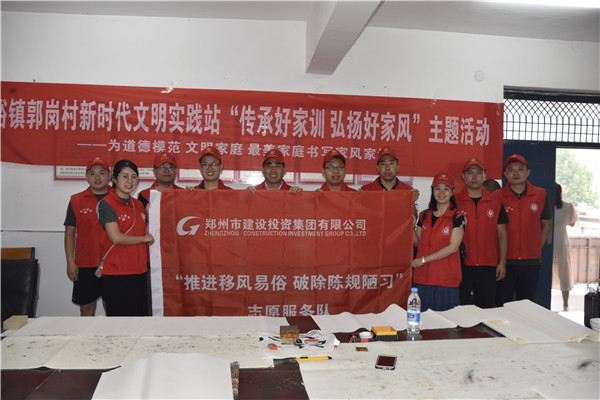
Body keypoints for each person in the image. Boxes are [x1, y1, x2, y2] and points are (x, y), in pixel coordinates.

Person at [97, 159, 154, 316]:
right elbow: (116, 237)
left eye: (134, 177)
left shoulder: (138, 204)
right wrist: (143, 238)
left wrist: (150, 217)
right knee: (120, 323)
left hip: (140, 271)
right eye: (125, 176)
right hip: (118, 273)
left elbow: (146, 234)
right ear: (114, 179)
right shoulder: (107, 204)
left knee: (140, 320)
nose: (130, 181)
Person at [494, 154, 552, 306]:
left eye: (520, 169)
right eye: (511, 170)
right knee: (502, 305)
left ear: (528, 172)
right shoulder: (496, 197)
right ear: (505, 174)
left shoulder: (540, 194)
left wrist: (537, 246)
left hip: (530, 262)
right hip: (504, 262)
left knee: (526, 306)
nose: (516, 173)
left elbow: (547, 224)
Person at [455, 157, 508, 308]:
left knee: (486, 310)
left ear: (484, 176)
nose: (474, 177)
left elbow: (502, 234)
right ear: (463, 176)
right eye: (470, 173)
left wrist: (502, 263)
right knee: (459, 309)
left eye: (478, 172)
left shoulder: (496, 202)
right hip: (461, 266)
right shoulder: (454, 201)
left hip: (488, 266)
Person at [64, 157, 111, 316]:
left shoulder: (118, 198)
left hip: (113, 263)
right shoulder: (76, 200)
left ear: (109, 175)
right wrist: (70, 262)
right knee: (86, 309)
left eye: (102, 173)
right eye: (92, 173)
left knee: (112, 308)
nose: (97, 177)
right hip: (85, 263)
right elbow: (70, 232)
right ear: (86, 176)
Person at [411, 172, 465, 311]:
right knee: (421, 320)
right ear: (432, 190)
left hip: (445, 280)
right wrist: (410, 227)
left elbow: (453, 248)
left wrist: (424, 260)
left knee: (445, 322)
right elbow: (417, 242)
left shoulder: (458, 217)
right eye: (437, 188)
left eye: (446, 189)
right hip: (421, 278)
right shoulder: (424, 215)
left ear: (452, 192)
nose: (441, 192)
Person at [552, 182, 578, 311]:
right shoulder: (568, 206)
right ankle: (565, 304)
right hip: (562, 240)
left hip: (548, 238)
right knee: (564, 272)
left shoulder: (547, 206)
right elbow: (572, 223)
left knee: (546, 270)